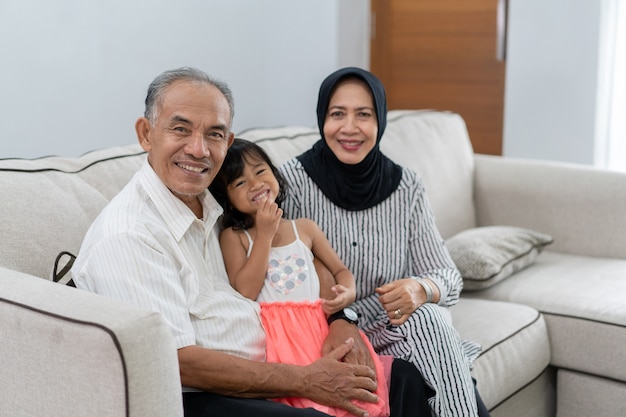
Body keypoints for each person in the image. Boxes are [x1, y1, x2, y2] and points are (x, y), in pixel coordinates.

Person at [71, 67, 432, 417]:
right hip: (203, 394)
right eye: (180, 129)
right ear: (146, 133)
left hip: (284, 357)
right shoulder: (130, 234)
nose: (198, 149)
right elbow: (177, 362)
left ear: (227, 143)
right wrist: (305, 380)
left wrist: (340, 318)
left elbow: (309, 262)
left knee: (404, 381)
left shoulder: (216, 206)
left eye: (214, 134)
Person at [279, 66, 491, 417]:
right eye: (337, 114)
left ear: (380, 121)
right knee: (439, 357)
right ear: (321, 119)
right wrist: (339, 317)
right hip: (327, 332)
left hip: (392, 329)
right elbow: (282, 277)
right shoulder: (292, 183)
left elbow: (448, 276)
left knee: (429, 319)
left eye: (364, 114)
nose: (350, 128)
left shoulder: (407, 186)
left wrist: (420, 289)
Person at [209, 138, 389, 417]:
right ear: (227, 199)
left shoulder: (304, 228)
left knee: (354, 396)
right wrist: (264, 235)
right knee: (313, 403)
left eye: (260, 171)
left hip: (320, 326)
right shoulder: (234, 237)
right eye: (240, 183)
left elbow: (340, 270)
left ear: (275, 173)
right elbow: (245, 289)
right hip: (280, 337)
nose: (255, 184)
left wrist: (348, 291)